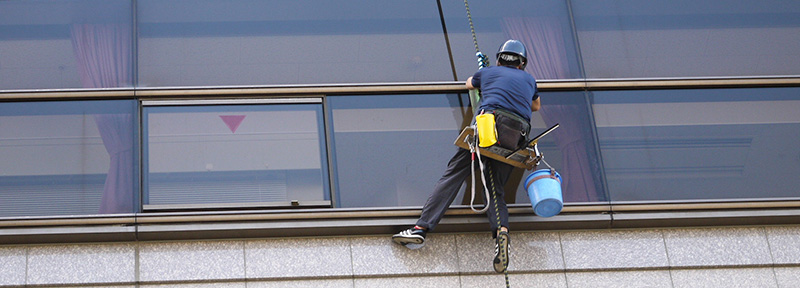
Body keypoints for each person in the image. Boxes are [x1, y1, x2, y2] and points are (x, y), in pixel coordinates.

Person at [392, 39, 540, 273]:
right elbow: (536, 106)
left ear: (500, 58)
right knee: (495, 190)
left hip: (488, 130)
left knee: (453, 175)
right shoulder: (529, 79)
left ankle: (421, 228)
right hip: (514, 138)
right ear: (522, 63)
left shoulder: (489, 72)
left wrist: (484, 76)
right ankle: (502, 233)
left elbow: (469, 84)